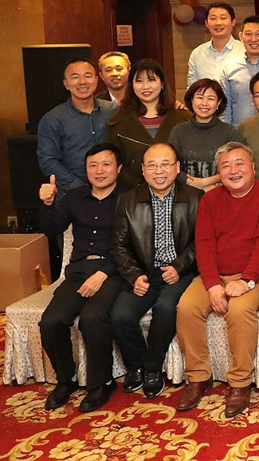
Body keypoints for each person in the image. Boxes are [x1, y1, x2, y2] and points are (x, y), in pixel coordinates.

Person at [175, 142, 259, 418]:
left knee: (239, 310)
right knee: (186, 308)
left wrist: (246, 280)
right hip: (216, 273)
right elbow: (204, 244)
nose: (233, 170)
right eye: (226, 166)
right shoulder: (210, 200)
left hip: (255, 274)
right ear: (219, 172)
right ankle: (198, 378)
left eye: (239, 163)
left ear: (253, 167)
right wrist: (213, 285)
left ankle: (240, 383)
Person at [110, 142, 201, 401]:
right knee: (120, 316)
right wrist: (133, 276)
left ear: (177, 167)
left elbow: (201, 242)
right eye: (152, 165)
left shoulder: (195, 197)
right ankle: (136, 366)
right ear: (143, 169)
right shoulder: (128, 200)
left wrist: (179, 267)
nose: (159, 171)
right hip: (143, 272)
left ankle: (152, 369)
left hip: (180, 272)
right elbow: (118, 246)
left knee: (166, 307)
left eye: (165, 164)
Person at [38, 143, 124, 412]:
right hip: (77, 271)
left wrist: (103, 273)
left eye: (106, 164)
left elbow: (132, 245)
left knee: (92, 317)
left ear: (119, 168)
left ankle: (102, 383)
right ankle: (66, 380)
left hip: (113, 271)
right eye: (93, 165)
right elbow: (51, 228)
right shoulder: (74, 197)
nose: (99, 170)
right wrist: (48, 204)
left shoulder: (129, 198)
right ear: (85, 170)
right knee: (51, 321)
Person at [37, 57, 115, 274]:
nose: (82, 82)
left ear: (97, 80)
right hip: (71, 196)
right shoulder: (53, 119)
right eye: (75, 77)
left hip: (111, 195)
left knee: (114, 251)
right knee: (74, 258)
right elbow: (48, 160)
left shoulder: (114, 111)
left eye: (88, 75)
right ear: (66, 84)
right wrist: (80, 187)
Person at [105, 58, 190, 188]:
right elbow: (113, 161)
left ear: (162, 83)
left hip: (179, 190)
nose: (145, 86)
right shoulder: (119, 121)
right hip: (133, 191)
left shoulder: (182, 118)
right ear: (132, 85)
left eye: (151, 80)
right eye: (139, 81)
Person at [170, 78, 242, 191]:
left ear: (218, 103)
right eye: (200, 97)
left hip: (220, 193)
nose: (204, 103)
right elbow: (169, 164)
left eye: (211, 99)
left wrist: (205, 182)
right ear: (192, 100)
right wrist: (191, 182)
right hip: (184, 194)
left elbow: (239, 166)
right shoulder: (178, 131)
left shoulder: (230, 132)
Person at [187, 2, 244, 87]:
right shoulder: (197, 54)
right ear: (206, 23)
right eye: (213, 18)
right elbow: (192, 87)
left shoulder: (244, 51)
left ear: (233, 22)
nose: (218, 23)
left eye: (223, 18)